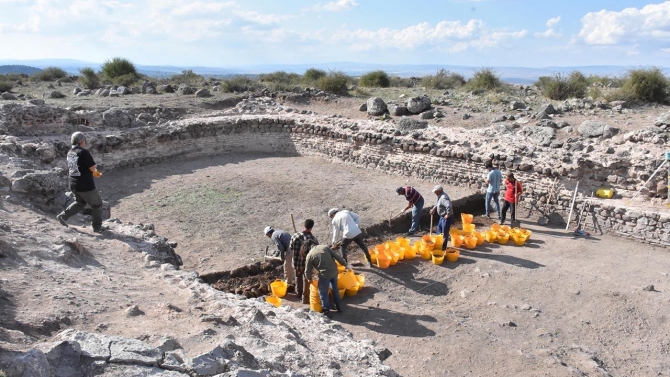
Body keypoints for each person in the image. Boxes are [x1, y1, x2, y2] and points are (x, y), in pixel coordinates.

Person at [56, 132, 106, 233]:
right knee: (97, 205)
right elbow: (92, 167)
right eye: (84, 141)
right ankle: (97, 227)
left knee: (81, 203)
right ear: (82, 141)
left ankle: (63, 216)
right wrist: (96, 172)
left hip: (73, 183)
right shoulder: (83, 152)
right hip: (85, 185)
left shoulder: (70, 152)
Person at [303, 240, 348, 316]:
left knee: (323, 292)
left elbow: (307, 270)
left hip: (324, 275)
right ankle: (338, 306)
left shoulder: (309, 255)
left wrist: (309, 279)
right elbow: (337, 256)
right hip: (334, 271)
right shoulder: (325, 247)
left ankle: (326, 310)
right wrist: (345, 264)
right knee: (335, 289)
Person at [289, 219, 319, 304]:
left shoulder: (295, 236)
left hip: (296, 263)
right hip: (307, 264)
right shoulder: (313, 239)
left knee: (298, 277)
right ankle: (305, 297)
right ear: (311, 227)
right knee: (306, 279)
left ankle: (298, 293)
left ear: (304, 225)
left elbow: (291, 247)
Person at [264, 226, 295, 291]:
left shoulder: (273, 236)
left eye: (267, 235)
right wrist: (275, 255)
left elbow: (281, 248)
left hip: (291, 248)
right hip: (296, 246)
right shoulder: (278, 232)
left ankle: (288, 283)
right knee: (294, 264)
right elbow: (280, 248)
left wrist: (282, 257)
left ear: (268, 234)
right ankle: (296, 279)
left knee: (287, 266)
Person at [430, 185, 453, 251]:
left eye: (435, 191)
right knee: (438, 230)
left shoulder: (444, 197)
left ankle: (443, 248)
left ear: (439, 191)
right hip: (442, 217)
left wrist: (448, 215)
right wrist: (434, 208)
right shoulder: (440, 196)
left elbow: (449, 206)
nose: (434, 193)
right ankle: (438, 244)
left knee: (444, 233)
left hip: (446, 218)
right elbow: (438, 203)